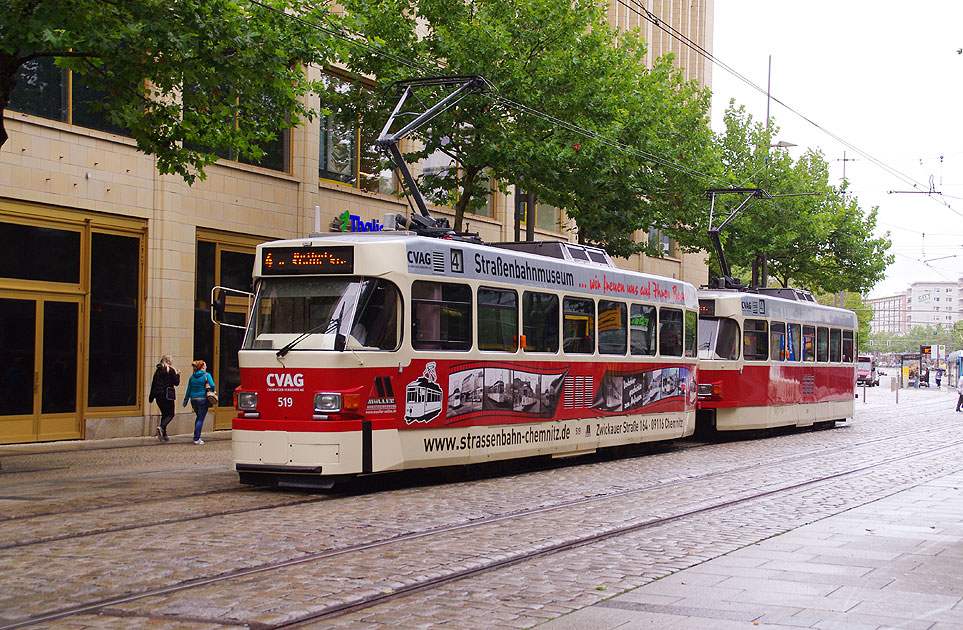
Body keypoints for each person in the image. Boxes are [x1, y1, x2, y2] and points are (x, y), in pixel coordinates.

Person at [148, 355, 180, 441]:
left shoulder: (158, 371)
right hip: (168, 395)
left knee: (164, 414)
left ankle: (164, 434)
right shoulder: (171, 371)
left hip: (159, 396)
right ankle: (162, 427)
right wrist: (178, 375)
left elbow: (153, 384)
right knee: (170, 414)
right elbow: (176, 382)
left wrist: (151, 397)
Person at [182, 360, 215, 444]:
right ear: (203, 367)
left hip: (193, 399)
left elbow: (188, 389)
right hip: (203, 399)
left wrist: (185, 401)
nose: (206, 366)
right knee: (200, 418)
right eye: (205, 365)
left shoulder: (192, 377)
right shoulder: (207, 375)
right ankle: (197, 438)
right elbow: (213, 385)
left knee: (198, 417)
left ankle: (196, 436)